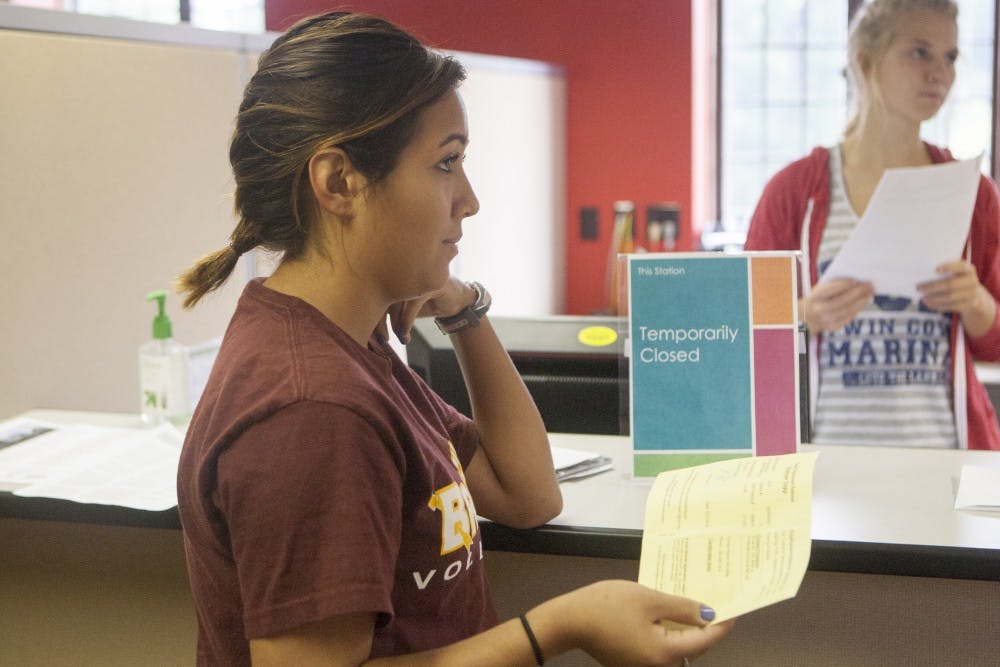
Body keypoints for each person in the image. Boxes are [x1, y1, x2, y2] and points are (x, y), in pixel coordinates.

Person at [175, 11, 733, 666]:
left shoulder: (353, 351)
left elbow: (528, 494)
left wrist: (463, 309)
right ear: (338, 182)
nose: (468, 199)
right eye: (446, 163)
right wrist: (560, 625)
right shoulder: (313, 409)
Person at [744, 0, 1000, 450]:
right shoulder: (793, 191)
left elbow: (994, 344)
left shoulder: (972, 192)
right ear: (865, 61)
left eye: (950, 57)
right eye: (920, 52)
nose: (939, 73)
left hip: (945, 461)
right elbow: (737, 331)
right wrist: (805, 317)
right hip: (824, 464)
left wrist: (976, 303)